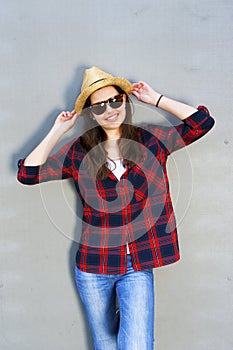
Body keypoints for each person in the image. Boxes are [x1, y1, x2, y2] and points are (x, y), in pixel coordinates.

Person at [17, 66, 215, 350]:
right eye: (99, 106)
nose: (109, 110)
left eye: (114, 100)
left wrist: (155, 99)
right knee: (105, 343)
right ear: (91, 114)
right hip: (93, 266)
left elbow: (202, 124)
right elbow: (28, 174)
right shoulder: (78, 152)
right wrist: (58, 129)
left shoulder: (151, 140)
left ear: (124, 100)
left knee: (137, 345)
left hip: (137, 265)